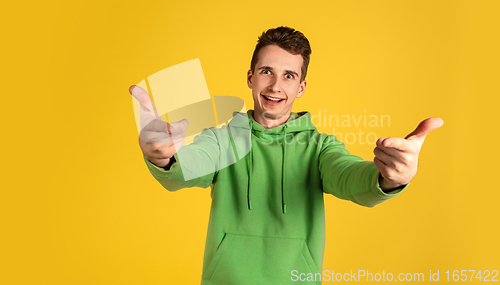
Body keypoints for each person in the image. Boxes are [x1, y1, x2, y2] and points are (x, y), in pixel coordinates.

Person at [129, 26, 443, 284]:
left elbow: (350, 176)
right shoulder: (223, 140)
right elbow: (189, 165)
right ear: (251, 78)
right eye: (267, 71)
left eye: (289, 76)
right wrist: (163, 156)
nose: (276, 86)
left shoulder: (319, 148)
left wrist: (388, 178)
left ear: (301, 87)